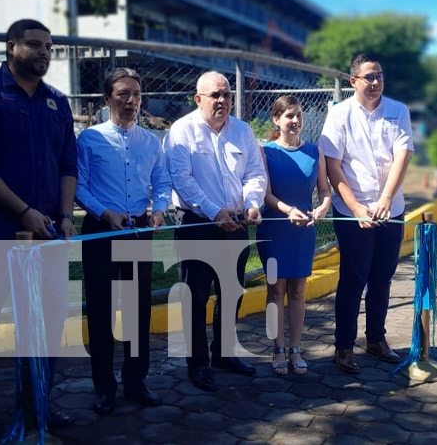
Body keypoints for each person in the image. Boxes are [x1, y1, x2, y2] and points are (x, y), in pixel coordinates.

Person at [0, 19, 77, 444]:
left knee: (46, 321)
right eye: (34, 45)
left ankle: (36, 402)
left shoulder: (56, 102)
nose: (44, 52)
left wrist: (64, 215)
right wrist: (23, 211)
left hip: (46, 235)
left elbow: (67, 165)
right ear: (11, 47)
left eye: (49, 47)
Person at [75, 68, 172, 415]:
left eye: (136, 95)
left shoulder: (151, 141)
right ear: (107, 99)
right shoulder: (89, 139)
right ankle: (104, 388)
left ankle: (135, 381)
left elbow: (161, 183)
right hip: (102, 230)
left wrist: (159, 210)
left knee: (137, 310)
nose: (131, 102)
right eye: (123, 95)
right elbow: (80, 187)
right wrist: (105, 213)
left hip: (138, 229)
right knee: (101, 311)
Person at [163, 71, 266, 391]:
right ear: (198, 99)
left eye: (226, 95)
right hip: (197, 223)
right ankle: (197, 365)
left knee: (231, 291)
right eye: (215, 95)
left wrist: (252, 203)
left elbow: (255, 172)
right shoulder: (181, 131)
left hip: (236, 222)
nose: (222, 101)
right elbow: (182, 179)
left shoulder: (243, 131)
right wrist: (213, 212)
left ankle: (223, 354)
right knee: (195, 295)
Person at [320, 53, 414, 374]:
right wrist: (357, 208)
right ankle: (344, 346)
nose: (375, 83)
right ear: (354, 81)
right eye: (368, 77)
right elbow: (333, 166)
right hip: (351, 209)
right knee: (353, 278)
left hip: (391, 209)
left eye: (379, 76)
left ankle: (375, 340)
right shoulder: (339, 115)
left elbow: (402, 155)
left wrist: (387, 197)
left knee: (382, 278)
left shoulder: (398, 111)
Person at [256, 96, 331, 376]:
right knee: (276, 289)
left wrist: (322, 208)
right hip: (276, 226)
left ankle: (295, 348)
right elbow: (265, 194)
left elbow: (324, 190)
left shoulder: (315, 151)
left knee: (298, 290)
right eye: (289, 116)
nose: (296, 121)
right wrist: (288, 210)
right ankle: (276, 348)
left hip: (304, 230)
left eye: (299, 115)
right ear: (276, 120)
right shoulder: (266, 152)